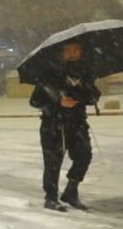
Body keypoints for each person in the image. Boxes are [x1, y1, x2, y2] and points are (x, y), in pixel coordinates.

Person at [28, 40, 100, 210]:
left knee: (84, 155)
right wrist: (59, 102)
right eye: (69, 49)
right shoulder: (49, 74)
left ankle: (71, 191)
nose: (73, 53)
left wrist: (85, 93)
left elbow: (92, 96)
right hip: (53, 125)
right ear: (62, 52)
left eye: (77, 49)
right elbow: (35, 100)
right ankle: (51, 197)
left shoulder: (85, 73)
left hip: (78, 124)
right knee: (53, 162)